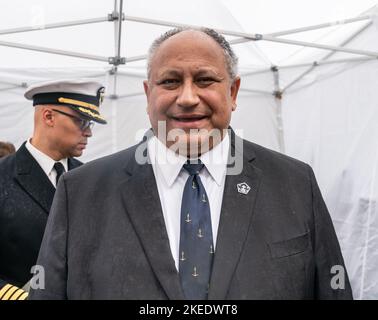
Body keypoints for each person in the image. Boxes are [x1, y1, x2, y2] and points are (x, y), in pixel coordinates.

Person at [29, 28, 352, 300]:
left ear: (233, 91)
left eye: (205, 80)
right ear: (148, 94)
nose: (186, 98)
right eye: (169, 82)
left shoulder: (294, 182)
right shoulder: (82, 190)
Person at [0, 79, 107, 300]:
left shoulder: (90, 178)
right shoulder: (4, 176)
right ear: (48, 116)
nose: (88, 133)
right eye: (82, 121)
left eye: (90, 124)